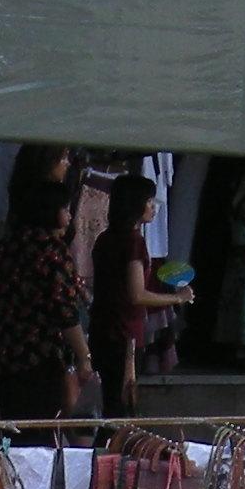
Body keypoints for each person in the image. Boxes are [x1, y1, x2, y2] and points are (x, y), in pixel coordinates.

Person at [0, 172, 93, 419]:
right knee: (41, 424)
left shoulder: (4, 247)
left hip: (5, 352)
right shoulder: (53, 252)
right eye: (66, 209)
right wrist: (84, 356)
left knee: (14, 421)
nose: (69, 216)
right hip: (42, 356)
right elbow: (64, 310)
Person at [88, 169, 181, 420]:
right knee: (122, 404)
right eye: (148, 201)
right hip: (124, 334)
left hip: (101, 329)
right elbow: (137, 295)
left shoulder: (105, 239)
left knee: (110, 401)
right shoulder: (133, 242)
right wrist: (177, 298)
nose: (153, 207)